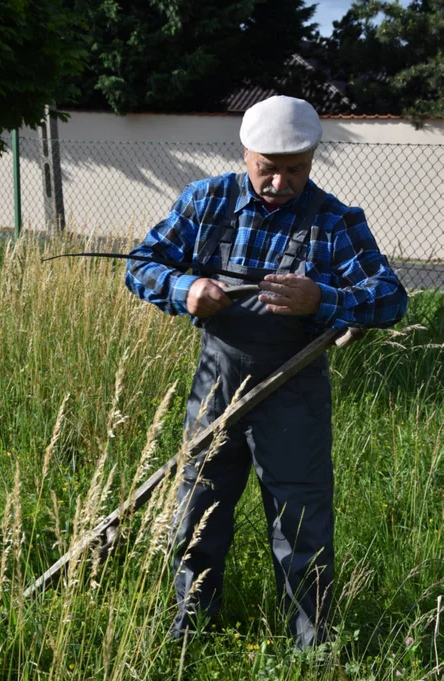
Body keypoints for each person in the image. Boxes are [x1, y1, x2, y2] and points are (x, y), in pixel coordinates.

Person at [125, 95, 408, 649]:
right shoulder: (206, 202)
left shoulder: (335, 221)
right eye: (267, 169)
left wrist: (322, 298)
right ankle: (192, 627)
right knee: (197, 506)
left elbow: (391, 298)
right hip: (217, 383)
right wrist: (187, 289)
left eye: (294, 170)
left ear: (311, 160)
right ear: (246, 155)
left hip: (294, 388)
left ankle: (311, 644)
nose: (279, 182)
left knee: (300, 522)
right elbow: (142, 263)